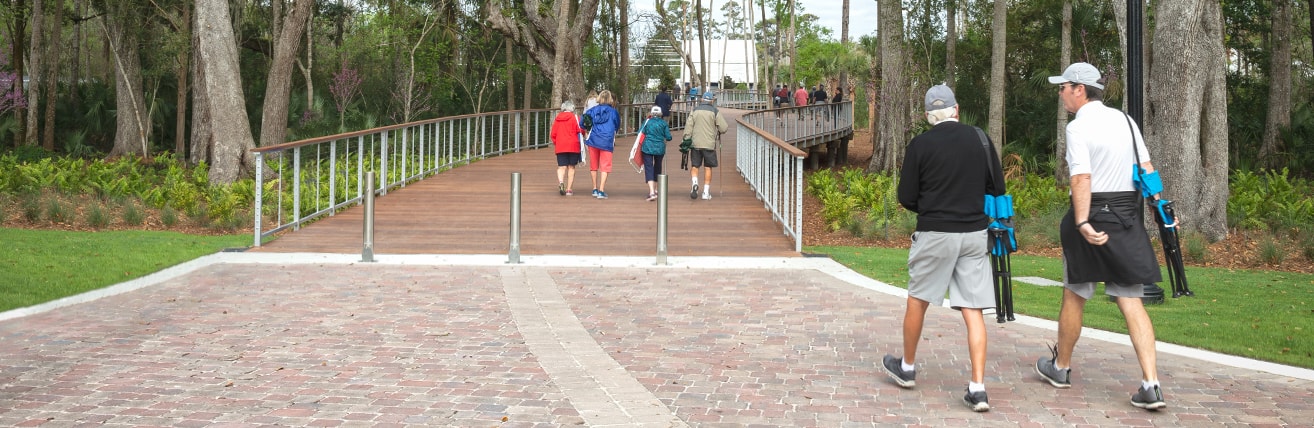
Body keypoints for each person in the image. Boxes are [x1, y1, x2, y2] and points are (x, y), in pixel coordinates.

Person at [1034, 62, 1168, 410]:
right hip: (1125, 215)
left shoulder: (1078, 127)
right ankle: (1151, 384)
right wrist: (1163, 207)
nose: (1061, 93)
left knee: (1075, 294)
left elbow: (1081, 178)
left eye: (1063, 87)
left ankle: (1061, 367)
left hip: (1093, 213)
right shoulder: (1126, 120)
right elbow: (1147, 168)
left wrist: (1081, 222)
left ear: (1080, 89)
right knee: (1130, 299)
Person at [883, 84, 1005, 413]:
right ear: (956, 109)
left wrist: (932, 204)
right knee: (973, 309)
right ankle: (978, 388)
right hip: (974, 233)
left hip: (935, 231)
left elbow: (906, 196)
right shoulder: (979, 139)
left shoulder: (920, 144)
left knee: (918, 299)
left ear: (927, 116)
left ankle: (907, 367)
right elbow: (997, 186)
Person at [684, 91, 728, 200]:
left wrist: (686, 139)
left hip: (695, 143)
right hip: (709, 144)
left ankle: (694, 184)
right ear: (712, 101)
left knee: (695, 165)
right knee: (708, 167)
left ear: (702, 100)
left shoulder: (694, 111)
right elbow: (724, 128)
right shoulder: (715, 111)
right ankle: (706, 192)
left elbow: (688, 127)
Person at [582, 90, 620, 199]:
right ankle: (601, 190)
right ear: (610, 99)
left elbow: (583, 122)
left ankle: (594, 188)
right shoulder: (613, 112)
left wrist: (588, 129)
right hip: (607, 140)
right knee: (605, 166)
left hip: (593, 139)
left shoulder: (592, 110)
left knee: (594, 165)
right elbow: (617, 125)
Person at [549, 100, 586, 196]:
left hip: (561, 146)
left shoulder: (557, 119)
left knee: (561, 167)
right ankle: (569, 189)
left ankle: (561, 182)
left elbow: (553, 134)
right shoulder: (576, 118)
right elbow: (581, 131)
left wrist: (557, 143)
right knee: (571, 167)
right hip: (574, 146)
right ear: (572, 108)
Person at [639, 105, 673, 201]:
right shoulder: (663, 123)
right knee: (658, 166)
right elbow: (669, 137)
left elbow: (640, 132)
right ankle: (657, 189)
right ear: (660, 114)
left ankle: (651, 192)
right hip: (660, 148)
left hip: (647, 147)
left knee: (649, 167)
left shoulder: (647, 122)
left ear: (651, 113)